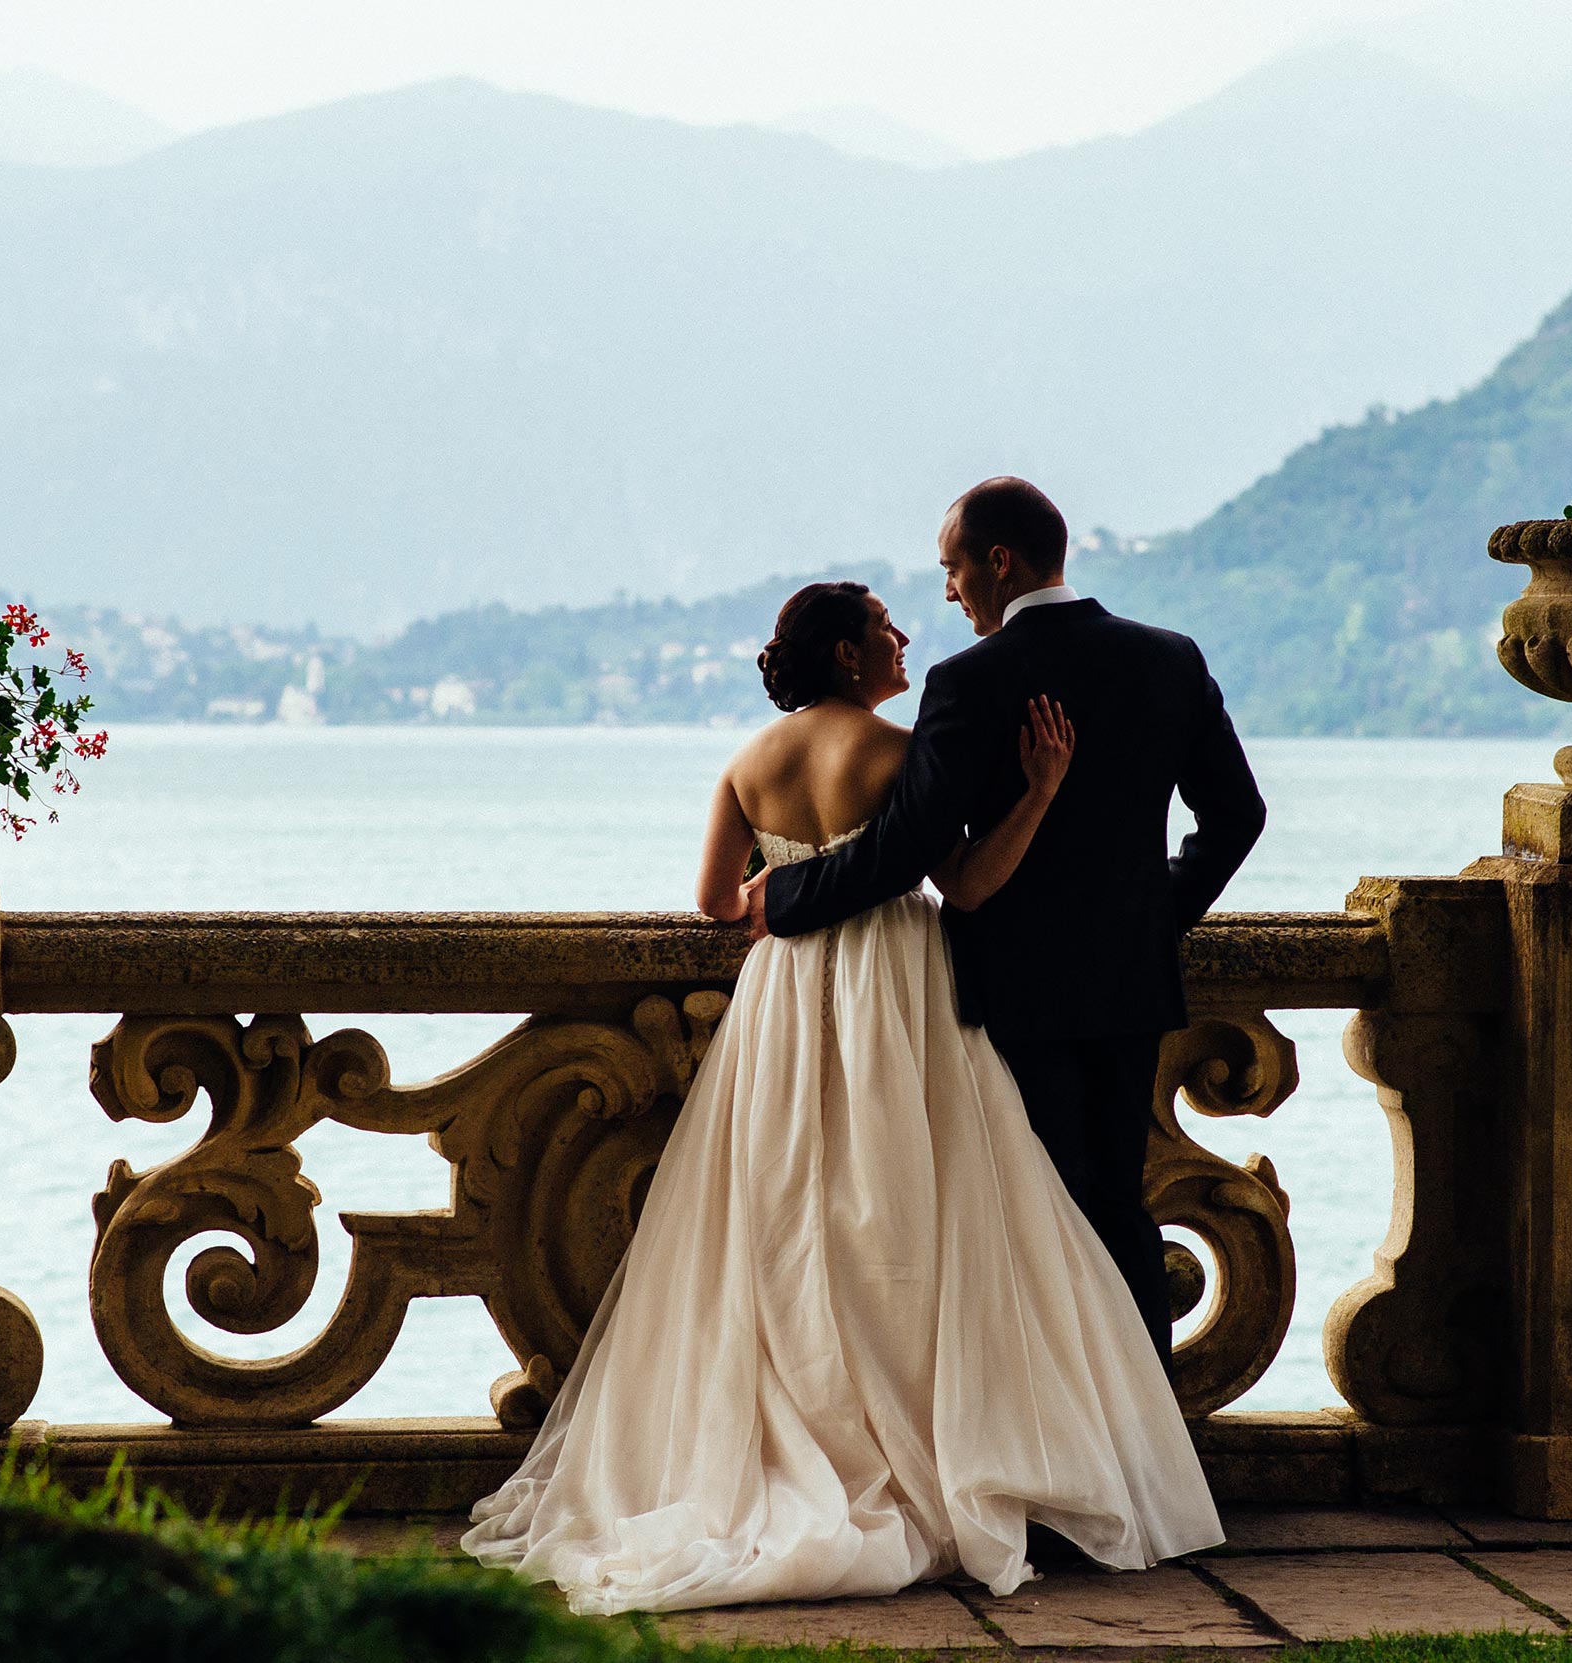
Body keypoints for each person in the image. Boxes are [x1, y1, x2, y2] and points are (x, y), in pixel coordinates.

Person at [463, 577, 1223, 1614]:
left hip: (782, 991)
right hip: (895, 987)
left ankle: (797, 1431)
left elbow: (718, 902)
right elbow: (962, 884)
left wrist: (782, 892)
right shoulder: (903, 751)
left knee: (782, 1214)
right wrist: (1039, 791)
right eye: (881, 627)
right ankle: (930, 1430)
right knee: (908, 1204)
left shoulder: (747, 762)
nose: (903, 633)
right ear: (844, 657)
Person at [753, 477, 1265, 1369]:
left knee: (1035, 1222)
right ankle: (1150, 1450)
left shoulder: (970, 681)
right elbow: (1237, 816)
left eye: (953, 568)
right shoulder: (1170, 658)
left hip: (1011, 994)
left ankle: (1062, 1459)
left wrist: (784, 897)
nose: (948, 592)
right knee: (1117, 1208)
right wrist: (1153, 918)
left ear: (999, 561)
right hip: (1129, 987)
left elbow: (907, 845)